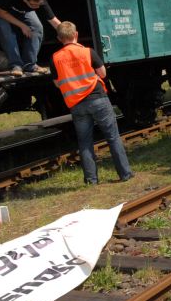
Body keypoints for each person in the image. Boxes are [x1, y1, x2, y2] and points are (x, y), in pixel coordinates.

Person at [52, 21, 133, 185]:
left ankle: (91, 179)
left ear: (59, 38)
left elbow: (57, 83)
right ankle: (125, 174)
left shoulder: (55, 58)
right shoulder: (87, 52)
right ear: (76, 35)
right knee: (112, 137)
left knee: (85, 142)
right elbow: (102, 74)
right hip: (97, 99)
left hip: (76, 105)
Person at [0, 0, 62, 76]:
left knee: (37, 27)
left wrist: (69, 35)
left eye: (39, 5)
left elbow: (53, 20)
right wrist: (22, 25)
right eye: (34, 5)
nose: (37, 8)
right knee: (6, 30)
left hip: (16, 4)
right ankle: (16, 65)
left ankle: (30, 65)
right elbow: (1, 13)